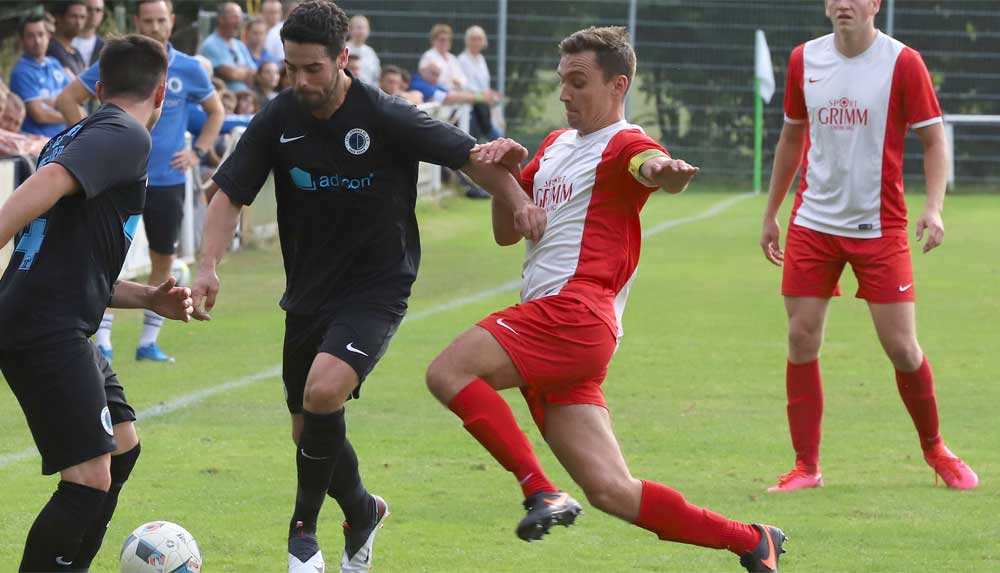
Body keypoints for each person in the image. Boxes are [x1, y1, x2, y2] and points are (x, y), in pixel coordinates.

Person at [189, 2, 543, 571]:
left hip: (377, 287)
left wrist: (518, 199)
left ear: (343, 59)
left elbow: (467, 158)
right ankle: (362, 509)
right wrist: (208, 266)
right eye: (291, 68)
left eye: (313, 69)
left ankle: (301, 533)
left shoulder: (384, 114)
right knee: (308, 428)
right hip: (307, 293)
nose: (301, 81)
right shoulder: (279, 118)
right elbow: (228, 193)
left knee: (323, 392)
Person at [425, 26, 787, 573]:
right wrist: (505, 178)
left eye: (579, 82)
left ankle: (540, 491)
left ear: (618, 86)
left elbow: (651, 165)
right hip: (568, 332)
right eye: (562, 82)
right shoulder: (552, 146)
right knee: (612, 491)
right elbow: (507, 231)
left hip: (571, 315)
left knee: (448, 372)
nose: (566, 93)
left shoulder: (625, 144)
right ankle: (751, 539)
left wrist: (666, 172)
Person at [760, 0, 978, 493]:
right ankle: (806, 468)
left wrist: (935, 207)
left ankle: (937, 449)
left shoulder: (902, 62)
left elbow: (934, 140)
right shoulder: (803, 60)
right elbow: (792, 136)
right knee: (801, 338)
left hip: (879, 226)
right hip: (813, 222)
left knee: (901, 348)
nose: (844, 5)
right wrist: (772, 212)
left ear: (874, 4)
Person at [0, 34, 193, 573]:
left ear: (100, 86)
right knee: (88, 476)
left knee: (123, 447)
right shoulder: (126, 134)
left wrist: (148, 297)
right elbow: (50, 182)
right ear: (160, 94)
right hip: (46, 326)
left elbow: (70, 264)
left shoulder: (68, 136)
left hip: (50, 315)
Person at [57, 0, 225, 363]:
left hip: (166, 179)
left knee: (163, 258)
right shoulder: (122, 63)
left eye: (160, 20)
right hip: (115, 180)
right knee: (104, 255)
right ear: (137, 21)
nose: (154, 26)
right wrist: (84, 137)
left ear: (172, 22)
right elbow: (68, 98)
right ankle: (102, 343)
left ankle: (148, 343)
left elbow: (217, 111)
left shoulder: (190, 68)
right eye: (147, 20)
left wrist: (199, 150)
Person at [10, 14, 70, 138]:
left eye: (40, 34)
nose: (37, 41)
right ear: (22, 40)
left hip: (64, 140)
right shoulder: (22, 71)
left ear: (48, 36)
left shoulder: (54, 63)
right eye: (30, 36)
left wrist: (52, 103)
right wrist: (72, 115)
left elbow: (72, 99)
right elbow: (39, 115)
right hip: (40, 146)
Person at [199, 2, 257, 91]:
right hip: (225, 100)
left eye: (240, 17)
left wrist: (238, 72)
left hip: (246, 99)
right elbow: (230, 74)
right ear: (221, 19)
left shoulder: (240, 45)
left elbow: (255, 73)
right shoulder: (210, 45)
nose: (239, 21)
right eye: (235, 17)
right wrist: (245, 72)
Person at [458, 25, 502, 141]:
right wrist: (484, 95)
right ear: (467, 41)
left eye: (479, 39)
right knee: (478, 139)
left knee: (494, 136)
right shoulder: (463, 60)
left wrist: (491, 93)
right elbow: (465, 86)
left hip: (483, 107)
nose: (476, 42)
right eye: (473, 39)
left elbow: (484, 84)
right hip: (470, 108)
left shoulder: (481, 59)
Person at [47, 1, 88, 78]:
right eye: (73, 16)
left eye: (82, 17)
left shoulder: (76, 52)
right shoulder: (49, 49)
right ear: (58, 18)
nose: (78, 22)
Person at [418, 23, 466, 90]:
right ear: (433, 41)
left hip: (457, 92)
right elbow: (428, 80)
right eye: (442, 40)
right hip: (438, 94)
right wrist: (451, 83)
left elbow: (463, 79)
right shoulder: (428, 57)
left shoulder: (453, 58)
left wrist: (459, 83)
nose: (446, 42)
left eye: (448, 40)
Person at [346, 14, 380, 85]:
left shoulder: (370, 52)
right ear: (350, 29)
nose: (362, 31)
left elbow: (376, 76)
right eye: (359, 27)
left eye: (365, 28)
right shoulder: (343, 49)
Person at [72, 0, 105, 67]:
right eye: (89, 9)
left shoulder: (105, 47)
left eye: (98, 10)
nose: (93, 13)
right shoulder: (64, 41)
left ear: (102, 14)